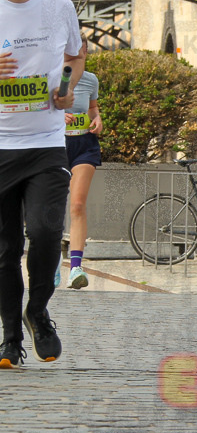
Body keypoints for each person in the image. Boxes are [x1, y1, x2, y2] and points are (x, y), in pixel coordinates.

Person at [0, 0, 86, 368]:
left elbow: (75, 54)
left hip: (47, 141)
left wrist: (68, 87)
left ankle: (38, 310)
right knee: (5, 249)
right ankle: (11, 338)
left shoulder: (58, 8)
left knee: (48, 230)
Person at [57, 65, 102, 290]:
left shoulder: (90, 80)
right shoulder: (50, 75)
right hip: (55, 145)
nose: (77, 57)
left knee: (76, 205)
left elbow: (93, 108)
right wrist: (56, 115)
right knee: (52, 204)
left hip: (84, 145)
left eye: (81, 53)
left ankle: (76, 267)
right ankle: (52, 260)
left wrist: (97, 119)